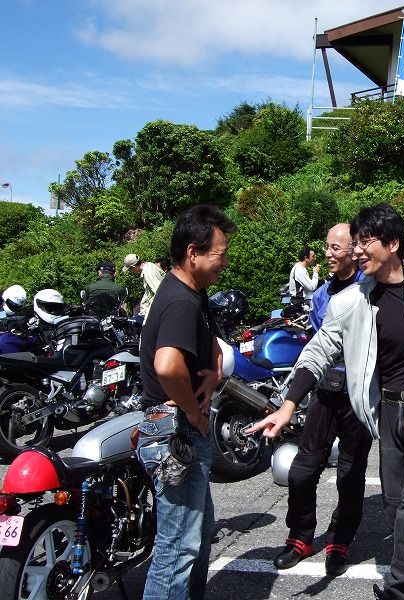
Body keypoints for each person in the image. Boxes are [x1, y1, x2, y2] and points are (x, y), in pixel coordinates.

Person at [247, 203, 404, 600]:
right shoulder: (351, 302)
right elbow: (317, 352)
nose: (358, 250)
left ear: (393, 244)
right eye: (356, 242)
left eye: (366, 241)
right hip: (389, 413)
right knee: (396, 509)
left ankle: (400, 591)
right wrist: (289, 403)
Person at [135, 204, 236, 600]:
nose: (225, 262)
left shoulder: (193, 293)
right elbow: (167, 366)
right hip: (176, 430)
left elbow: (209, 344)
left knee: (198, 533)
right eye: (220, 254)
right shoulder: (181, 301)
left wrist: (214, 373)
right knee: (177, 547)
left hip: (175, 427)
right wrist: (193, 412)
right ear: (193, 253)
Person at [268, 224, 373, 577]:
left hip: (357, 395)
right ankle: (300, 536)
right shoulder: (321, 295)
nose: (327, 254)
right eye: (325, 247)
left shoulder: (370, 289)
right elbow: (319, 344)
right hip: (324, 392)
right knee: (302, 470)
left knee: (350, 474)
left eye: (335, 248)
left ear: (353, 250)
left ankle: (341, 539)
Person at [123, 253, 166, 318]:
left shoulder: (149, 274)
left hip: (151, 312)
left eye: (130, 269)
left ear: (133, 267)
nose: (131, 271)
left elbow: (159, 292)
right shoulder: (150, 265)